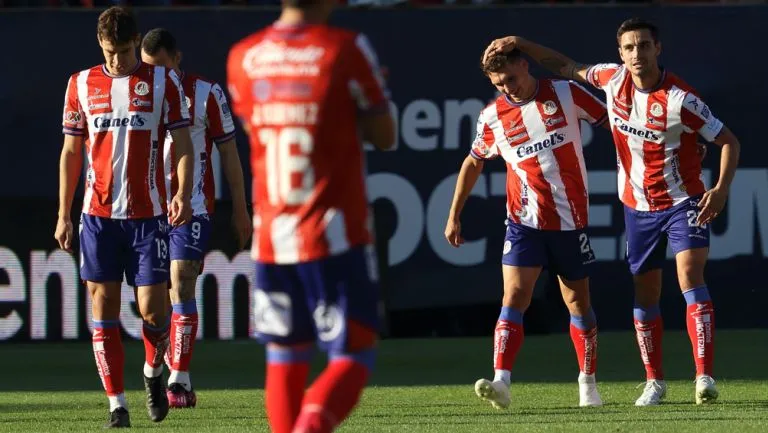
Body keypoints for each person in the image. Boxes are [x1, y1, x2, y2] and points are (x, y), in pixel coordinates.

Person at [483, 17, 741, 406]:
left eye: (644, 46)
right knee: (645, 292)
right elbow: (565, 65)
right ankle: (654, 382)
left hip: (683, 199)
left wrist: (720, 190)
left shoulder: (680, 99)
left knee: (689, 274)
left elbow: (729, 140)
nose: (637, 54)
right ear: (620, 53)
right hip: (637, 206)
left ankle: (704, 376)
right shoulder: (611, 79)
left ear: (657, 49)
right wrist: (522, 41)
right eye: (629, 47)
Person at [226, 0, 395, 431]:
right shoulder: (345, 48)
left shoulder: (243, 56)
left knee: (285, 356)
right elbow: (385, 136)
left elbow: (255, 129)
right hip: (332, 233)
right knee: (354, 353)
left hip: (271, 239)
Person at [54, 6, 195, 428]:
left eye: (123, 51)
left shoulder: (163, 81)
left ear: (136, 42)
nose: (116, 60)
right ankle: (117, 405)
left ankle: (152, 372)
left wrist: (182, 193)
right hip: (97, 218)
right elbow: (71, 151)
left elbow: (183, 143)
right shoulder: (80, 84)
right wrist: (63, 213)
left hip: (148, 216)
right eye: (108, 52)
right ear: (100, 45)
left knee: (154, 312)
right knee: (104, 309)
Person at [446, 47, 608, 410]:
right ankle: (501, 382)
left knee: (578, 303)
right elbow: (473, 161)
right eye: (499, 84)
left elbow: (615, 123)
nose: (508, 88)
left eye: (511, 79)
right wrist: (454, 213)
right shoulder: (493, 116)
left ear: (525, 65)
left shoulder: (566, 92)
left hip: (570, 222)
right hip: (524, 223)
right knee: (515, 296)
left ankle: (588, 384)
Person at [140, 27, 252, 409]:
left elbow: (229, 153)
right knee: (156, 299)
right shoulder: (137, 94)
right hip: (147, 208)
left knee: (182, 278)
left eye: (161, 65)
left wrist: (241, 208)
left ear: (177, 59)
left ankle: (179, 380)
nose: (155, 73)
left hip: (195, 207)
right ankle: (162, 364)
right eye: (148, 67)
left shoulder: (206, 93)